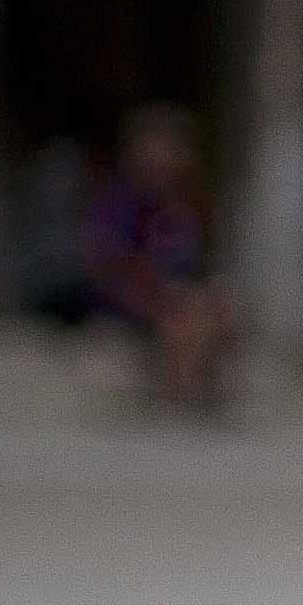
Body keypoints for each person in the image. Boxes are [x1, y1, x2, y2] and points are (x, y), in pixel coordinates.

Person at [86, 102, 232, 408]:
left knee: (210, 306)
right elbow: (108, 262)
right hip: (132, 297)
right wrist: (155, 292)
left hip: (179, 293)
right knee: (183, 313)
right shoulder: (120, 203)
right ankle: (181, 392)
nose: (165, 159)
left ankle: (196, 390)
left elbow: (197, 262)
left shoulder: (189, 203)